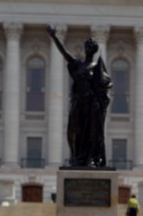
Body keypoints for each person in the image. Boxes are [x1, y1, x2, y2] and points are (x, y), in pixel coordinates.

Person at [47, 26, 112, 167]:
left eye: (91, 47)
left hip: (92, 106)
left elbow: (105, 84)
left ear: (93, 50)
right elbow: (64, 53)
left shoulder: (97, 67)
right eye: (87, 46)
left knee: (91, 134)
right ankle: (77, 158)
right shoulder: (77, 64)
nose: (88, 48)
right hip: (78, 104)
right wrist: (54, 37)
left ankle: (89, 159)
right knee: (74, 131)